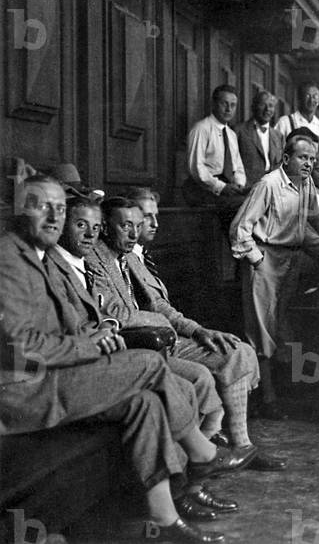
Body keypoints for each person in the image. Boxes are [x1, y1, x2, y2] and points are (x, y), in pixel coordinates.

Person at [1, 176, 247, 543]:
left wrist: (92, 335)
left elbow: (62, 322)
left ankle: (167, 521)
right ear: (22, 210)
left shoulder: (42, 256)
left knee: (146, 403)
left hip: (56, 373)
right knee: (148, 365)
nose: (54, 217)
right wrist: (88, 346)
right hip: (24, 392)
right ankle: (203, 452)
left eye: (60, 208)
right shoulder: (9, 257)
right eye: (42, 206)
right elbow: (19, 345)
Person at [89, 196, 279, 470]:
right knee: (200, 377)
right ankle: (203, 458)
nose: (133, 233)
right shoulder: (95, 260)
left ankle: (242, 445)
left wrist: (199, 330)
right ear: (106, 227)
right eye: (125, 226)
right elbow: (115, 315)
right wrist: (161, 323)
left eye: (136, 225)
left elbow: (160, 305)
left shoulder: (129, 254)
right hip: (139, 345)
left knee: (236, 351)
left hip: (164, 337)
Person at [229, 135, 319, 430]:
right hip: (265, 259)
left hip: (291, 259)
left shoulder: (306, 184)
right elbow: (239, 229)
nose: (308, 163)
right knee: (262, 329)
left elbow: (305, 227)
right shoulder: (269, 184)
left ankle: (280, 392)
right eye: (302, 157)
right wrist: (258, 260)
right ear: (286, 159)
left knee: (282, 325)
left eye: (312, 158)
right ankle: (265, 399)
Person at [184, 85, 247, 210]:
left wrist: (239, 184)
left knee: (258, 201)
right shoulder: (201, 129)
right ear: (214, 104)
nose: (229, 109)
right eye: (224, 104)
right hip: (204, 188)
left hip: (227, 186)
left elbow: (238, 166)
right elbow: (196, 167)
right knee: (244, 206)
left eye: (233, 105)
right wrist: (221, 187)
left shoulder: (231, 134)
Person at [235, 91, 284, 188]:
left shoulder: (278, 136)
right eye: (262, 105)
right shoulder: (239, 131)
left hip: (272, 188)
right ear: (253, 107)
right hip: (248, 189)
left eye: (271, 105)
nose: (267, 109)